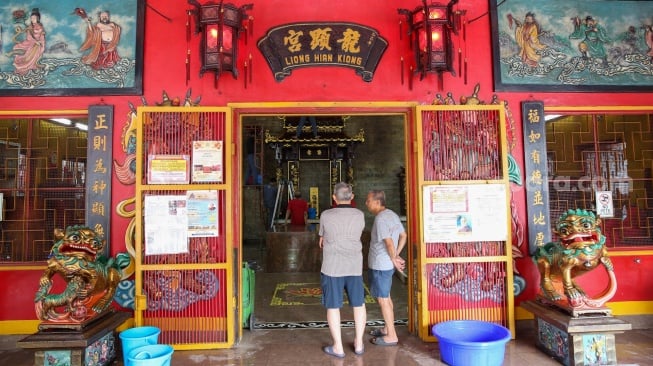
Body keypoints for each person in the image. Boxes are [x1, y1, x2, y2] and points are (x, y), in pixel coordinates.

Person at [318, 182, 366, 358]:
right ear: (351, 197)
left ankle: (338, 346)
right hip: (354, 267)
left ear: (334, 197)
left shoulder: (326, 215)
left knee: (333, 306)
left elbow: (322, 239)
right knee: (359, 304)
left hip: (332, 267)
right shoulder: (360, 215)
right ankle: (359, 343)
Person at [365, 189, 407, 346]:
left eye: (368, 200)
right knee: (386, 297)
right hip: (386, 264)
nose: (366, 203)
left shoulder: (381, 219)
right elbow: (404, 235)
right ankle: (387, 328)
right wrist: (395, 255)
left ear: (377, 202)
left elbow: (388, 242)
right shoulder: (392, 214)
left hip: (380, 265)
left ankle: (392, 336)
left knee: (383, 300)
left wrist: (394, 257)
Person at [10, 8, 46, 75]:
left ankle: (30, 67)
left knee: (35, 50)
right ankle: (23, 68)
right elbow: (29, 37)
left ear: (37, 18)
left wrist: (40, 42)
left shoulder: (40, 26)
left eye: (34, 18)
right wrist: (35, 41)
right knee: (17, 47)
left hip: (37, 45)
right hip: (31, 42)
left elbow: (42, 37)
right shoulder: (30, 26)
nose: (32, 20)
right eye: (31, 18)